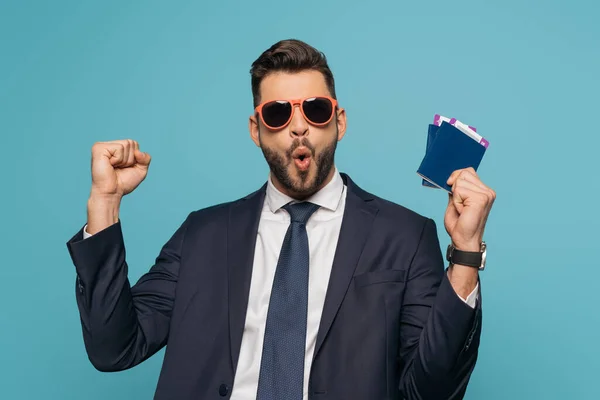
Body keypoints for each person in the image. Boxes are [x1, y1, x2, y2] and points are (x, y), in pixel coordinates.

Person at [66, 39, 496, 400]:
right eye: (277, 114)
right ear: (257, 129)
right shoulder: (202, 234)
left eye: (315, 110)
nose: (298, 128)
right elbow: (113, 349)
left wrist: (465, 254)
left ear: (339, 122)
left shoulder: (403, 236)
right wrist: (104, 202)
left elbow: (432, 391)